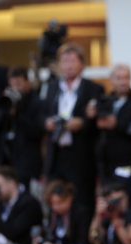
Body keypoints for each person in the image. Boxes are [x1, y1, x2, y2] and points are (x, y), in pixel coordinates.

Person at [42, 43, 104, 216]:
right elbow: (42, 113)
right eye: (64, 61)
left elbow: (100, 124)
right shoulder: (52, 87)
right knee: (54, 197)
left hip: (80, 154)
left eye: (72, 61)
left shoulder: (93, 88)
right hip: (56, 152)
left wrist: (82, 123)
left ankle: (81, 241)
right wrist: (47, 122)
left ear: (81, 64)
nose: (68, 65)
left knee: (81, 201)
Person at [86, 64, 131, 205]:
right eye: (118, 78)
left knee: (124, 204)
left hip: (127, 162)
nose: (123, 81)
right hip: (105, 163)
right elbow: (93, 130)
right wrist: (90, 117)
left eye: (126, 77)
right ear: (111, 80)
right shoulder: (104, 101)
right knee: (105, 203)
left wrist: (117, 125)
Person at [0, 66, 45, 188]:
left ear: (27, 83)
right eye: (12, 86)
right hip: (7, 161)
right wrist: (5, 108)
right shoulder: (7, 103)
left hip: (27, 165)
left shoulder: (37, 103)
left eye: (18, 85)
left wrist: (18, 113)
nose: (15, 89)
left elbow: (37, 132)